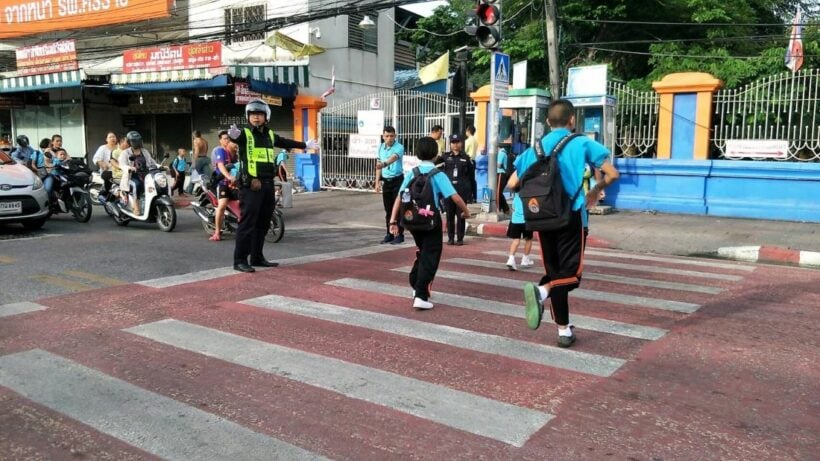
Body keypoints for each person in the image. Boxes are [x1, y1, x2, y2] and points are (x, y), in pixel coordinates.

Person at [507, 99, 619, 348]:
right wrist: (595, 190)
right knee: (572, 276)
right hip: (571, 216)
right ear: (572, 121)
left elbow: (512, 183)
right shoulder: (580, 142)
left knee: (555, 273)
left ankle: (564, 330)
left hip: (541, 218)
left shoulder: (534, 148)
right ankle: (541, 292)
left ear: (548, 122)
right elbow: (612, 174)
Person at [228, 98, 318, 273]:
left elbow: (285, 142)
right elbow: (234, 136)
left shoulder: (269, 135)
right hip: (251, 185)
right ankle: (239, 260)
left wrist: (305, 145)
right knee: (248, 223)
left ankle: (257, 257)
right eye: (252, 115)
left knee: (263, 223)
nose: (256, 118)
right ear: (248, 117)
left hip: (268, 184)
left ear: (266, 116)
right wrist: (232, 135)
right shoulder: (245, 134)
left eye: (259, 114)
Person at [388, 136, 471, 310]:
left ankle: (416, 283)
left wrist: (393, 220)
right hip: (431, 221)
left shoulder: (413, 172)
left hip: (412, 221)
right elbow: (455, 196)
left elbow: (399, 196)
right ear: (435, 154)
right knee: (431, 255)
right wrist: (466, 211)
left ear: (418, 153)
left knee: (424, 251)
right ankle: (420, 294)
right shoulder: (437, 174)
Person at [436, 133, 475, 245]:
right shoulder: (445, 157)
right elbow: (435, 167)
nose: (455, 144)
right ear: (450, 144)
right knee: (449, 215)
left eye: (457, 142)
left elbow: (471, 177)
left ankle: (460, 238)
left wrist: (472, 194)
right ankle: (450, 238)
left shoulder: (466, 158)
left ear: (461, 143)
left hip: (462, 190)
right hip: (448, 190)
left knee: (461, 215)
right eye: (453, 142)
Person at [374, 126, 405, 245]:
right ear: (383, 136)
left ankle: (399, 234)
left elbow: (394, 158)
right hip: (386, 182)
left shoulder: (399, 147)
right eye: (387, 136)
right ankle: (389, 233)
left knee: (398, 209)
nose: (389, 138)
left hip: (397, 180)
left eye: (392, 136)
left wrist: (384, 164)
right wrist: (377, 182)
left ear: (395, 136)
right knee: (388, 210)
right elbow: (378, 165)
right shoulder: (381, 148)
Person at [118, 131, 158, 215]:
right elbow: (122, 165)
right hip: (132, 177)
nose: (137, 142)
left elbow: (152, 162)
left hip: (146, 176)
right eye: (134, 140)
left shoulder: (145, 152)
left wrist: (160, 166)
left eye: (138, 140)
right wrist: (129, 168)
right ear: (129, 142)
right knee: (137, 185)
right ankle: (136, 208)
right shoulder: (125, 153)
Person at [210, 136, 239, 242]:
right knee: (222, 206)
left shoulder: (237, 154)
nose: (235, 144)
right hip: (222, 183)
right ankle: (217, 232)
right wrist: (229, 177)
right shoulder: (221, 151)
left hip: (235, 184)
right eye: (227, 139)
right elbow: (221, 166)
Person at [505, 187, 534, 271]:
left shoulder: (516, 196)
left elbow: (513, 208)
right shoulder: (529, 196)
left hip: (515, 221)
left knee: (516, 240)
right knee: (528, 239)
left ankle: (511, 259)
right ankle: (525, 259)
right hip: (526, 221)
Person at [496, 146, 510, 214]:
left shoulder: (501, 153)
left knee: (498, 192)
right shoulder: (501, 152)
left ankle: (499, 208)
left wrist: (492, 162)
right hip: (498, 173)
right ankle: (505, 208)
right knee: (498, 192)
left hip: (500, 173)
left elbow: (499, 165)